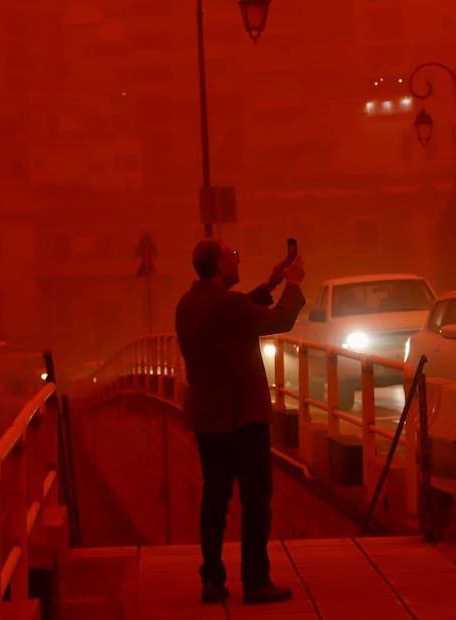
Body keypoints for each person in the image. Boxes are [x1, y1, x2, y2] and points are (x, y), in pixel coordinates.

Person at [174, 238, 305, 606]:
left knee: (214, 499)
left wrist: (271, 281)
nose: (237, 260)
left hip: (207, 418)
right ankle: (256, 580)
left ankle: (213, 580)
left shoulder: (188, 304)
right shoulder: (228, 306)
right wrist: (293, 283)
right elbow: (280, 319)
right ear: (219, 264)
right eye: (233, 256)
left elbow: (236, 313)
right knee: (256, 499)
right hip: (242, 417)